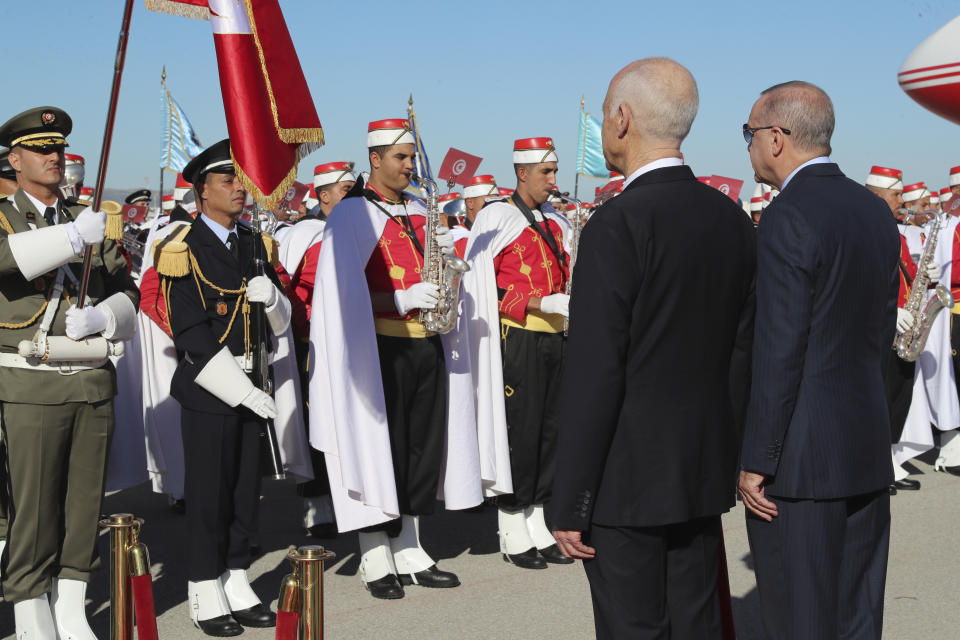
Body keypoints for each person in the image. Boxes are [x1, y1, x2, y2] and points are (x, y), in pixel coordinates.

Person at [548, 58, 755, 639]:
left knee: (633, 627)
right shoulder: (731, 219)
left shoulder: (616, 224)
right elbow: (742, 354)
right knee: (698, 621)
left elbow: (596, 373)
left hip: (625, 482)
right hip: (700, 470)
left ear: (621, 119)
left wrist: (571, 499)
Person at [738, 81, 899, 640]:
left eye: (750, 133)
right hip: (864, 444)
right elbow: (879, 334)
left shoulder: (788, 215)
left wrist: (758, 458)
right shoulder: (874, 211)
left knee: (802, 620)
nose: (750, 146)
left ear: (778, 138)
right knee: (858, 617)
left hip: (803, 463)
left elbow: (781, 348)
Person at [308, 119, 492, 599]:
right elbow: (340, 298)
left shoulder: (419, 208)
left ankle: (410, 544)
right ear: (375, 159)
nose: (411, 167)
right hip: (380, 349)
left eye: (412, 157)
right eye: (402, 158)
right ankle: (374, 553)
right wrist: (398, 299)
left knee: (421, 447)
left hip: (426, 342)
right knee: (380, 448)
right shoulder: (349, 215)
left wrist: (450, 263)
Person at [0, 106, 139, 639]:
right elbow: (7, 261)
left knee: (84, 503)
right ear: (15, 160)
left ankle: (73, 605)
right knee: (32, 509)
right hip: (29, 380)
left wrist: (107, 315)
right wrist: (72, 240)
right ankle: (31, 612)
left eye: (57, 148)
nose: (53, 157)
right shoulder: (6, 216)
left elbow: (127, 289)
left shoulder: (88, 216)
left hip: (91, 378)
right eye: (40, 149)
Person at [157, 139, 290, 635]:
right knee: (210, 493)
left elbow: (280, 323)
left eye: (241, 180)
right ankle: (203, 586)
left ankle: (236, 576)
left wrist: (273, 299)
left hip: (255, 379)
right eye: (227, 181)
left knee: (244, 490)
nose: (240, 189)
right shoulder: (180, 247)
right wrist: (242, 391)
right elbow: (189, 333)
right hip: (212, 388)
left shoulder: (254, 243)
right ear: (202, 192)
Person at [463, 136, 574, 570]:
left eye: (555, 170)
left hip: (556, 336)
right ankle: (511, 526)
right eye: (545, 172)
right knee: (520, 432)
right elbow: (478, 285)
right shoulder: (496, 216)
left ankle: (540, 519)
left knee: (551, 430)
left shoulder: (556, 220)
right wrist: (536, 303)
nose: (553, 180)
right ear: (522, 172)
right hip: (518, 337)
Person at [282, 160, 356, 538]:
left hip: (356, 343)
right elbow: (288, 290)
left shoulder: (362, 230)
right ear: (324, 197)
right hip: (313, 343)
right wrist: (305, 334)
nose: (353, 195)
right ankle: (317, 503)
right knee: (315, 423)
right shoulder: (305, 234)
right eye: (345, 190)